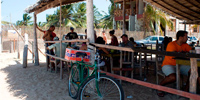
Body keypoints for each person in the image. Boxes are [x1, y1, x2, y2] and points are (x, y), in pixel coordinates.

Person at [157, 30, 199, 97]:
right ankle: (159, 87)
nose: (187, 38)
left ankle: (186, 90)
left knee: (193, 71)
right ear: (181, 37)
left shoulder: (185, 45)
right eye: (186, 36)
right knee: (173, 77)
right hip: (168, 64)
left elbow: (192, 51)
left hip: (180, 65)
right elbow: (175, 55)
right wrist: (185, 54)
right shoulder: (171, 44)